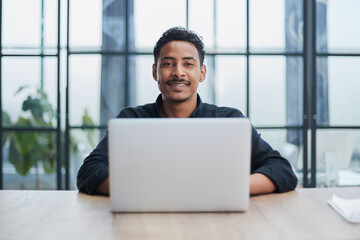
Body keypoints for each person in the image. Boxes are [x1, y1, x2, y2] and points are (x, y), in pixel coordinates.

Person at [77, 27, 298, 196]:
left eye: (188, 64)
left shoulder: (229, 121)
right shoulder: (131, 120)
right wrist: (142, 191)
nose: (178, 72)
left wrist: (227, 188)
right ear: (155, 72)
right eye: (168, 64)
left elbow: (282, 170)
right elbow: (89, 171)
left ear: (202, 73)